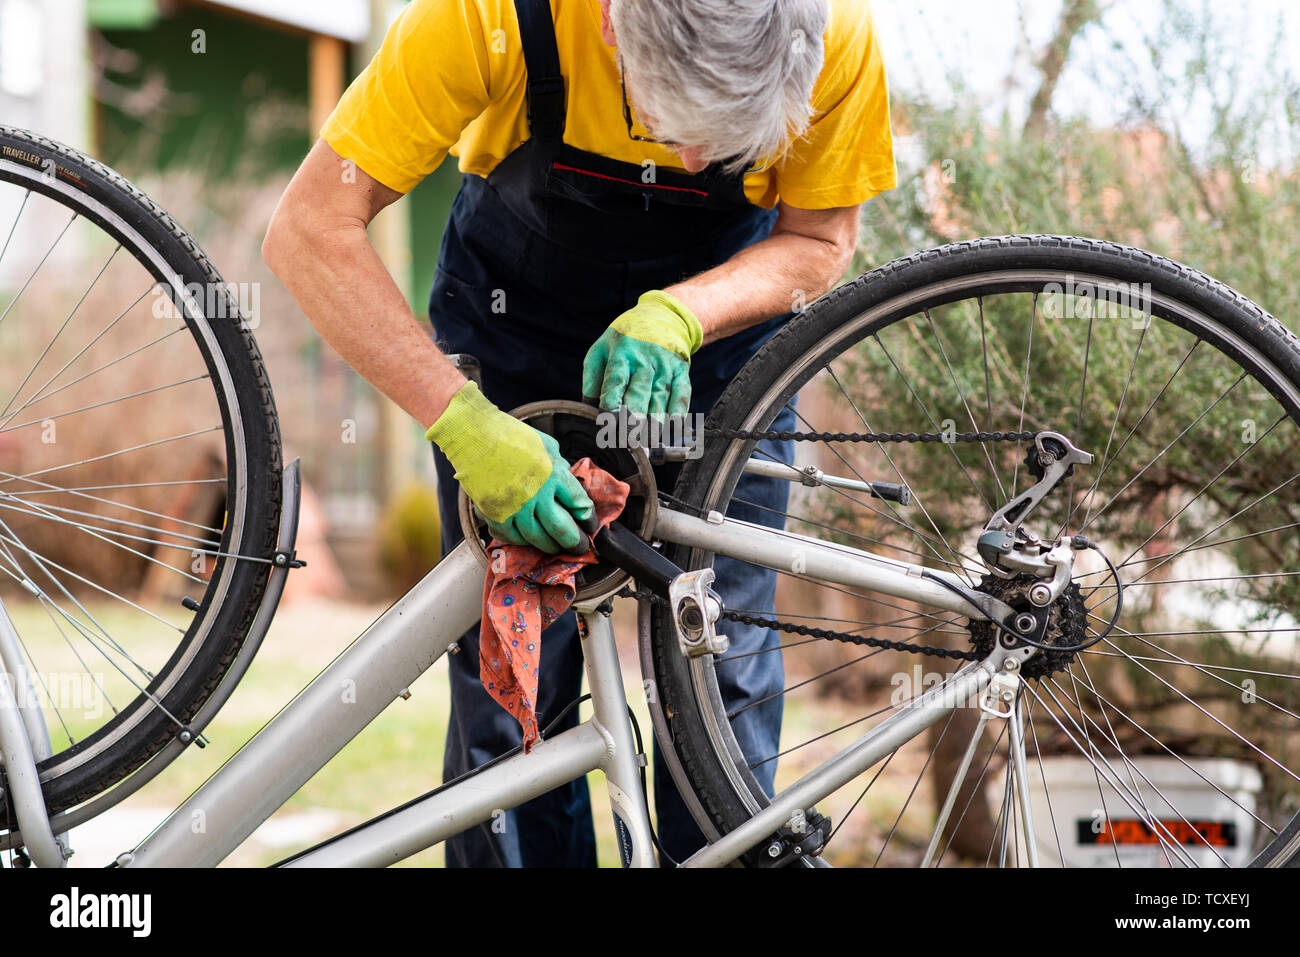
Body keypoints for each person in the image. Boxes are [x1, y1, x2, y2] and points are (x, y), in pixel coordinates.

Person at [263, 0, 896, 866]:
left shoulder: (833, 33)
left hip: (720, 360)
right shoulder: (484, 15)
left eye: (731, 140)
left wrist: (687, 311)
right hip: (515, 334)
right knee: (515, 689)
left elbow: (821, 237)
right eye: (678, 126)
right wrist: (467, 425)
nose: (697, 162)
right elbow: (308, 230)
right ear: (609, 30)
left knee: (719, 664)